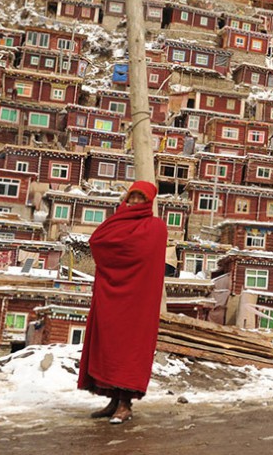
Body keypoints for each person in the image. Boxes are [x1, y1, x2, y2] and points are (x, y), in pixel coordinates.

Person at [78, 180, 167, 424]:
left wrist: (119, 253)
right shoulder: (115, 221)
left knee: (129, 350)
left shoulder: (155, 227)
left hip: (138, 300)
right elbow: (98, 242)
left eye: (141, 198)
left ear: (149, 201)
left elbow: (140, 253)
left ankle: (125, 404)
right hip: (111, 294)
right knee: (108, 346)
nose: (136, 202)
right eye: (133, 197)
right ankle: (113, 400)